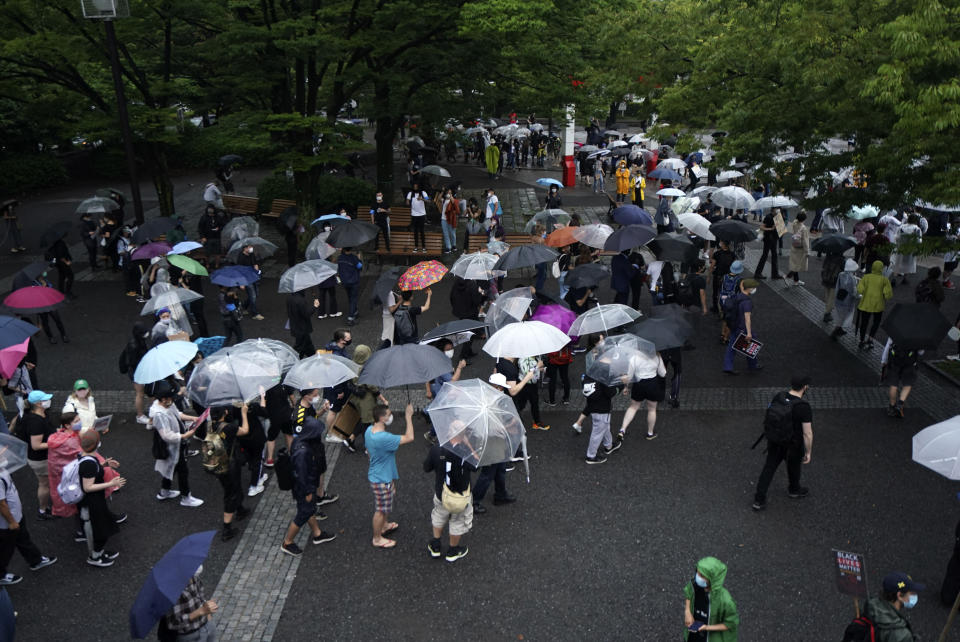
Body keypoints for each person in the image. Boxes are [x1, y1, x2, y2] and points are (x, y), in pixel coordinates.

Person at [752, 375, 813, 511]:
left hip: (775, 440)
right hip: (793, 444)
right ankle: (794, 489)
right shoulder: (803, 407)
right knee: (794, 466)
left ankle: (759, 500)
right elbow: (807, 433)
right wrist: (808, 452)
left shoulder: (779, 396)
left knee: (769, 468)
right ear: (805, 387)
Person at [279, 415, 338, 557]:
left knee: (309, 509)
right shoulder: (303, 451)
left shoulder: (299, 442)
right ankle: (288, 542)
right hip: (305, 488)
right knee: (303, 514)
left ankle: (317, 533)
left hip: (303, 487)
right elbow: (301, 474)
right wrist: (308, 492)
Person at [365, 404, 415, 549]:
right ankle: (377, 538)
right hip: (381, 480)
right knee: (380, 510)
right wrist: (408, 416)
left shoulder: (369, 431)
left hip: (379, 475)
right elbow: (409, 437)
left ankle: (384, 526)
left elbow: (368, 451)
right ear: (382, 418)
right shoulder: (384, 438)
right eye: (388, 414)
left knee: (385, 506)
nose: (391, 416)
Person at [0, 467, 57, 585]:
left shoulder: (2, 469)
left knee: (23, 539)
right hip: (8, 522)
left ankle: (35, 560)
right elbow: (1, 504)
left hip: (16, 516)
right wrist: (11, 522)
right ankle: (1, 575)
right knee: (5, 549)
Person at [151, 384, 204, 508]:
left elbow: (177, 414)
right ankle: (186, 497)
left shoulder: (168, 404)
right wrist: (185, 436)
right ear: (163, 399)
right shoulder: (159, 415)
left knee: (172, 468)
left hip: (176, 445)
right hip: (172, 447)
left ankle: (164, 491)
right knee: (182, 470)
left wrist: (193, 418)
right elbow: (166, 435)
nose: (173, 400)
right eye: (170, 398)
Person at [78, 430, 126, 567]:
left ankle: (99, 552)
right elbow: (87, 487)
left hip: (95, 500)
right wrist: (111, 484)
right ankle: (95, 556)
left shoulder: (85, 457)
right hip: (93, 502)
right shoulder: (88, 463)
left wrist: (104, 464)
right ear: (96, 444)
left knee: (104, 527)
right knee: (100, 529)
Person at [423, 437, 475, 563]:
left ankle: (435, 546)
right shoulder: (465, 452)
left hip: (442, 494)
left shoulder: (436, 449)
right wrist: (470, 446)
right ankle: (453, 551)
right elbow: (475, 466)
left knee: (439, 516)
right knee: (457, 521)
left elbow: (426, 467)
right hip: (460, 498)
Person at [208, 405, 251, 542]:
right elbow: (245, 431)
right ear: (224, 413)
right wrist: (244, 413)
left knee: (232, 487)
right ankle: (227, 528)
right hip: (229, 464)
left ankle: (240, 509)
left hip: (217, 463)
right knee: (231, 493)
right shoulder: (228, 427)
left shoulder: (210, 425)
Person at [682, 557, 739, 641]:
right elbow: (688, 592)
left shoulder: (726, 601)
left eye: (701, 575)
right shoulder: (694, 585)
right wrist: (687, 612)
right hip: (694, 636)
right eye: (697, 572)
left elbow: (730, 624)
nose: (697, 577)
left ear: (712, 579)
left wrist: (706, 628)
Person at [618, 347, 667, 441]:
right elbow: (663, 373)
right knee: (652, 410)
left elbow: (629, 375)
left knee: (633, 407)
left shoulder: (634, 355)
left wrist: (626, 387)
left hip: (639, 384)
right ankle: (650, 433)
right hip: (652, 384)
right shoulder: (656, 354)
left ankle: (622, 429)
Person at [423, 340, 467, 443]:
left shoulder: (441, 359)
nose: (451, 351)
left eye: (451, 348)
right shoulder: (442, 364)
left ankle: (428, 412)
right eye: (448, 349)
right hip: (442, 394)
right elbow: (452, 381)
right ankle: (432, 433)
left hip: (440, 390)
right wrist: (459, 368)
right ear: (441, 350)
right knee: (443, 415)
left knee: (441, 413)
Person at [21, 390, 55, 520]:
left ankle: (45, 507)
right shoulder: (36, 422)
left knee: (45, 483)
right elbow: (36, 445)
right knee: (44, 484)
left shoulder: (42, 415)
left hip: (43, 458)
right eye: (45, 399)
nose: (48, 401)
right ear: (39, 404)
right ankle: (42, 510)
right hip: (40, 460)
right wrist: (57, 442)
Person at [861, 572, 923, 642]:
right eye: (912, 593)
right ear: (899, 596)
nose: (915, 596)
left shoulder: (871, 606)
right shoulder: (902, 635)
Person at [162, 565, 218, 640]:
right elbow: (173, 623)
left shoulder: (195, 578)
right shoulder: (173, 592)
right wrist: (200, 611)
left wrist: (208, 613)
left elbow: (201, 596)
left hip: (207, 625)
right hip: (190, 635)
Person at [722, 278, 761, 374]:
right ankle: (753, 365)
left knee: (731, 347)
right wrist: (748, 332)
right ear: (749, 289)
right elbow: (747, 318)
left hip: (734, 326)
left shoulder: (736, 297)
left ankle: (728, 366)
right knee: (752, 343)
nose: (755, 289)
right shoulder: (747, 302)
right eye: (753, 287)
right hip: (742, 328)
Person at [582, 373, 621, 465]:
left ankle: (609, 445)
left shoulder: (590, 373)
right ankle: (591, 456)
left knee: (604, 427)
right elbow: (610, 392)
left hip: (592, 406)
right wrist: (621, 384)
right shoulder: (604, 375)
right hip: (602, 408)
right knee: (598, 432)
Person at [856, 260, 893, 350]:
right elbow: (888, 295)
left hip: (866, 304)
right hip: (878, 305)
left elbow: (860, 290)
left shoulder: (866, 277)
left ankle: (861, 340)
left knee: (864, 323)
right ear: (881, 269)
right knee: (876, 322)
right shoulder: (884, 280)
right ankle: (870, 339)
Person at [121, 321, 152, 424]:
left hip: (140, 371)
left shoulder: (139, 341)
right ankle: (140, 416)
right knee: (140, 393)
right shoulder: (134, 345)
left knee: (144, 393)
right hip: (137, 373)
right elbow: (133, 362)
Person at [881, 341, 920, 418]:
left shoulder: (897, 331)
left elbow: (888, 346)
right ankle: (900, 404)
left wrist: (884, 360)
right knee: (908, 384)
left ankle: (892, 407)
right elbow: (921, 352)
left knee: (893, 384)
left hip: (895, 361)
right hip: (909, 363)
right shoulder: (917, 335)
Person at [830, 259, 861, 339]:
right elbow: (854, 292)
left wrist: (836, 296)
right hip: (847, 302)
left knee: (839, 315)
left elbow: (837, 286)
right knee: (843, 317)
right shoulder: (853, 279)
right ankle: (836, 332)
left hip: (839, 298)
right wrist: (859, 296)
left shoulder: (841, 274)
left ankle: (839, 329)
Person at [286, 290, 320, 358]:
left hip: (295, 326)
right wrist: (315, 306)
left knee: (307, 345)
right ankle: (295, 361)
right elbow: (306, 314)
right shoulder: (301, 300)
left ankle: (313, 358)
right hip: (303, 328)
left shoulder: (289, 298)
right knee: (299, 347)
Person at [235, 244, 264, 321]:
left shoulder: (251, 254)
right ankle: (255, 313)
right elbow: (240, 271)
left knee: (256, 295)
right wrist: (241, 283)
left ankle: (243, 307)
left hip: (253, 277)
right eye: (249, 247)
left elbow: (255, 264)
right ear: (245, 248)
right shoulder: (241, 257)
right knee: (253, 295)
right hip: (246, 279)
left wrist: (257, 273)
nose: (251, 248)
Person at [893, 214, 923, 286]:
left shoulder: (901, 227)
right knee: (908, 263)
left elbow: (896, 237)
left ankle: (894, 278)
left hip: (901, 247)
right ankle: (905, 278)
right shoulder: (917, 229)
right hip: (910, 249)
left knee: (898, 262)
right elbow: (919, 241)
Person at [753, 209, 782, 280]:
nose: (779, 210)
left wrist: (779, 226)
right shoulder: (768, 217)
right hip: (768, 239)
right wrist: (771, 229)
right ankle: (757, 273)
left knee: (774, 255)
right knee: (765, 255)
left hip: (774, 238)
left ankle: (775, 274)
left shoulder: (778, 216)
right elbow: (762, 227)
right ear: (773, 210)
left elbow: (780, 228)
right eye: (777, 209)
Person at [337, 247, 362, 326]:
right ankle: (350, 318)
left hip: (344, 281)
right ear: (351, 249)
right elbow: (359, 267)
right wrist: (359, 258)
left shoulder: (340, 258)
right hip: (353, 281)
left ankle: (355, 311)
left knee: (350, 297)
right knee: (353, 299)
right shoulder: (353, 258)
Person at [820, 251, 847, 323]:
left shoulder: (828, 257)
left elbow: (824, 267)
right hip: (835, 281)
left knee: (827, 296)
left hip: (826, 279)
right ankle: (827, 314)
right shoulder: (841, 260)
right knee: (831, 298)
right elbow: (844, 271)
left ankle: (827, 310)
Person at [711, 240, 736, 315]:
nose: (720, 243)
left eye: (721, 242)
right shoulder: (732, 254)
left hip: (718, 275)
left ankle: (716, 308)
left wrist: (709, 276)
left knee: (715, 292)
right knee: (725, 293)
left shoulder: (717, 253)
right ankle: (723, 308)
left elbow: (712, 266)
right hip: (727, 277)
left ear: (723, 244)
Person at [784, 211, 810, 286]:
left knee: (795, 264)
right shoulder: (804, 228)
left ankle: (796, 280)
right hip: (800, 249)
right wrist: (807, 251)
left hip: (794, 246)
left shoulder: (795, 224)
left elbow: (796, 219)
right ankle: (787, 276)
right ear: (804, 219)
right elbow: (805, 241)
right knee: (797, 265)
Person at [197, 204, 225, 270]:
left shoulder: (218, 217)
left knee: (217, 252)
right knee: (207, 253)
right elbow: (200, 228)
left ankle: (217, 264)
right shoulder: (204, 218)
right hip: (207, 238)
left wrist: (219, 228)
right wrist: (202, 237)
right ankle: (207, 263)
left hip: (217, 237)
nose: (211, 214)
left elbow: (223, 225)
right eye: (209, 213)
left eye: (212, 213)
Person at [406, 183, 429, 253]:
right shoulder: (410, 193)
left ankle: (424, 247)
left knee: (422, 231)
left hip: (422, 215)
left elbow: (428, 200)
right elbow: (407, 201)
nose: (415, 187)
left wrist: (422, 199)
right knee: (415, 231)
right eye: (414, 186)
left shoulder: (423, 193)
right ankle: (416, 247)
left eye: (416, 186)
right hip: (414, 215)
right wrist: (407, 201)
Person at [440, 188, 458, 254]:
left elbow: (453, 202)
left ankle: (454, 245)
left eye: (450, 193)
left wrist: (450, 196)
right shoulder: (444, 200)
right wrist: (442, 191)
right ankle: (448, 247)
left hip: (451, 219)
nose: (448, 194)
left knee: (452, 233)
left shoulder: (453, 200)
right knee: (446, 233)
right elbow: (439, 198)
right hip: (444, 219)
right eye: (448, 193)